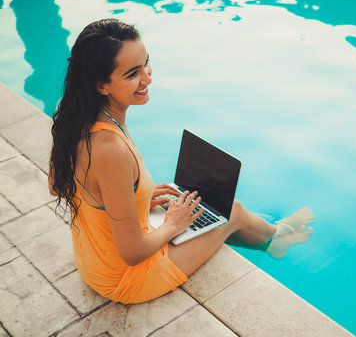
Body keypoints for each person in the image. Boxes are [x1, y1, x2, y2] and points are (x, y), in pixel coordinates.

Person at [48, 18, 314, 304]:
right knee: (230, 212)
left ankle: (275, 237)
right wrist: (172, 225)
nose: (147, 78)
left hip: (94, 259)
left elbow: (58, 186)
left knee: (205, 213)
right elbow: (133, 252)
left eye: (146, 63)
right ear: (101, 85)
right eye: (132, 74)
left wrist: (130, 202)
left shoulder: (73, 119)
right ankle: (276, 240)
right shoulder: (110, 148)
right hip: (125, 278)